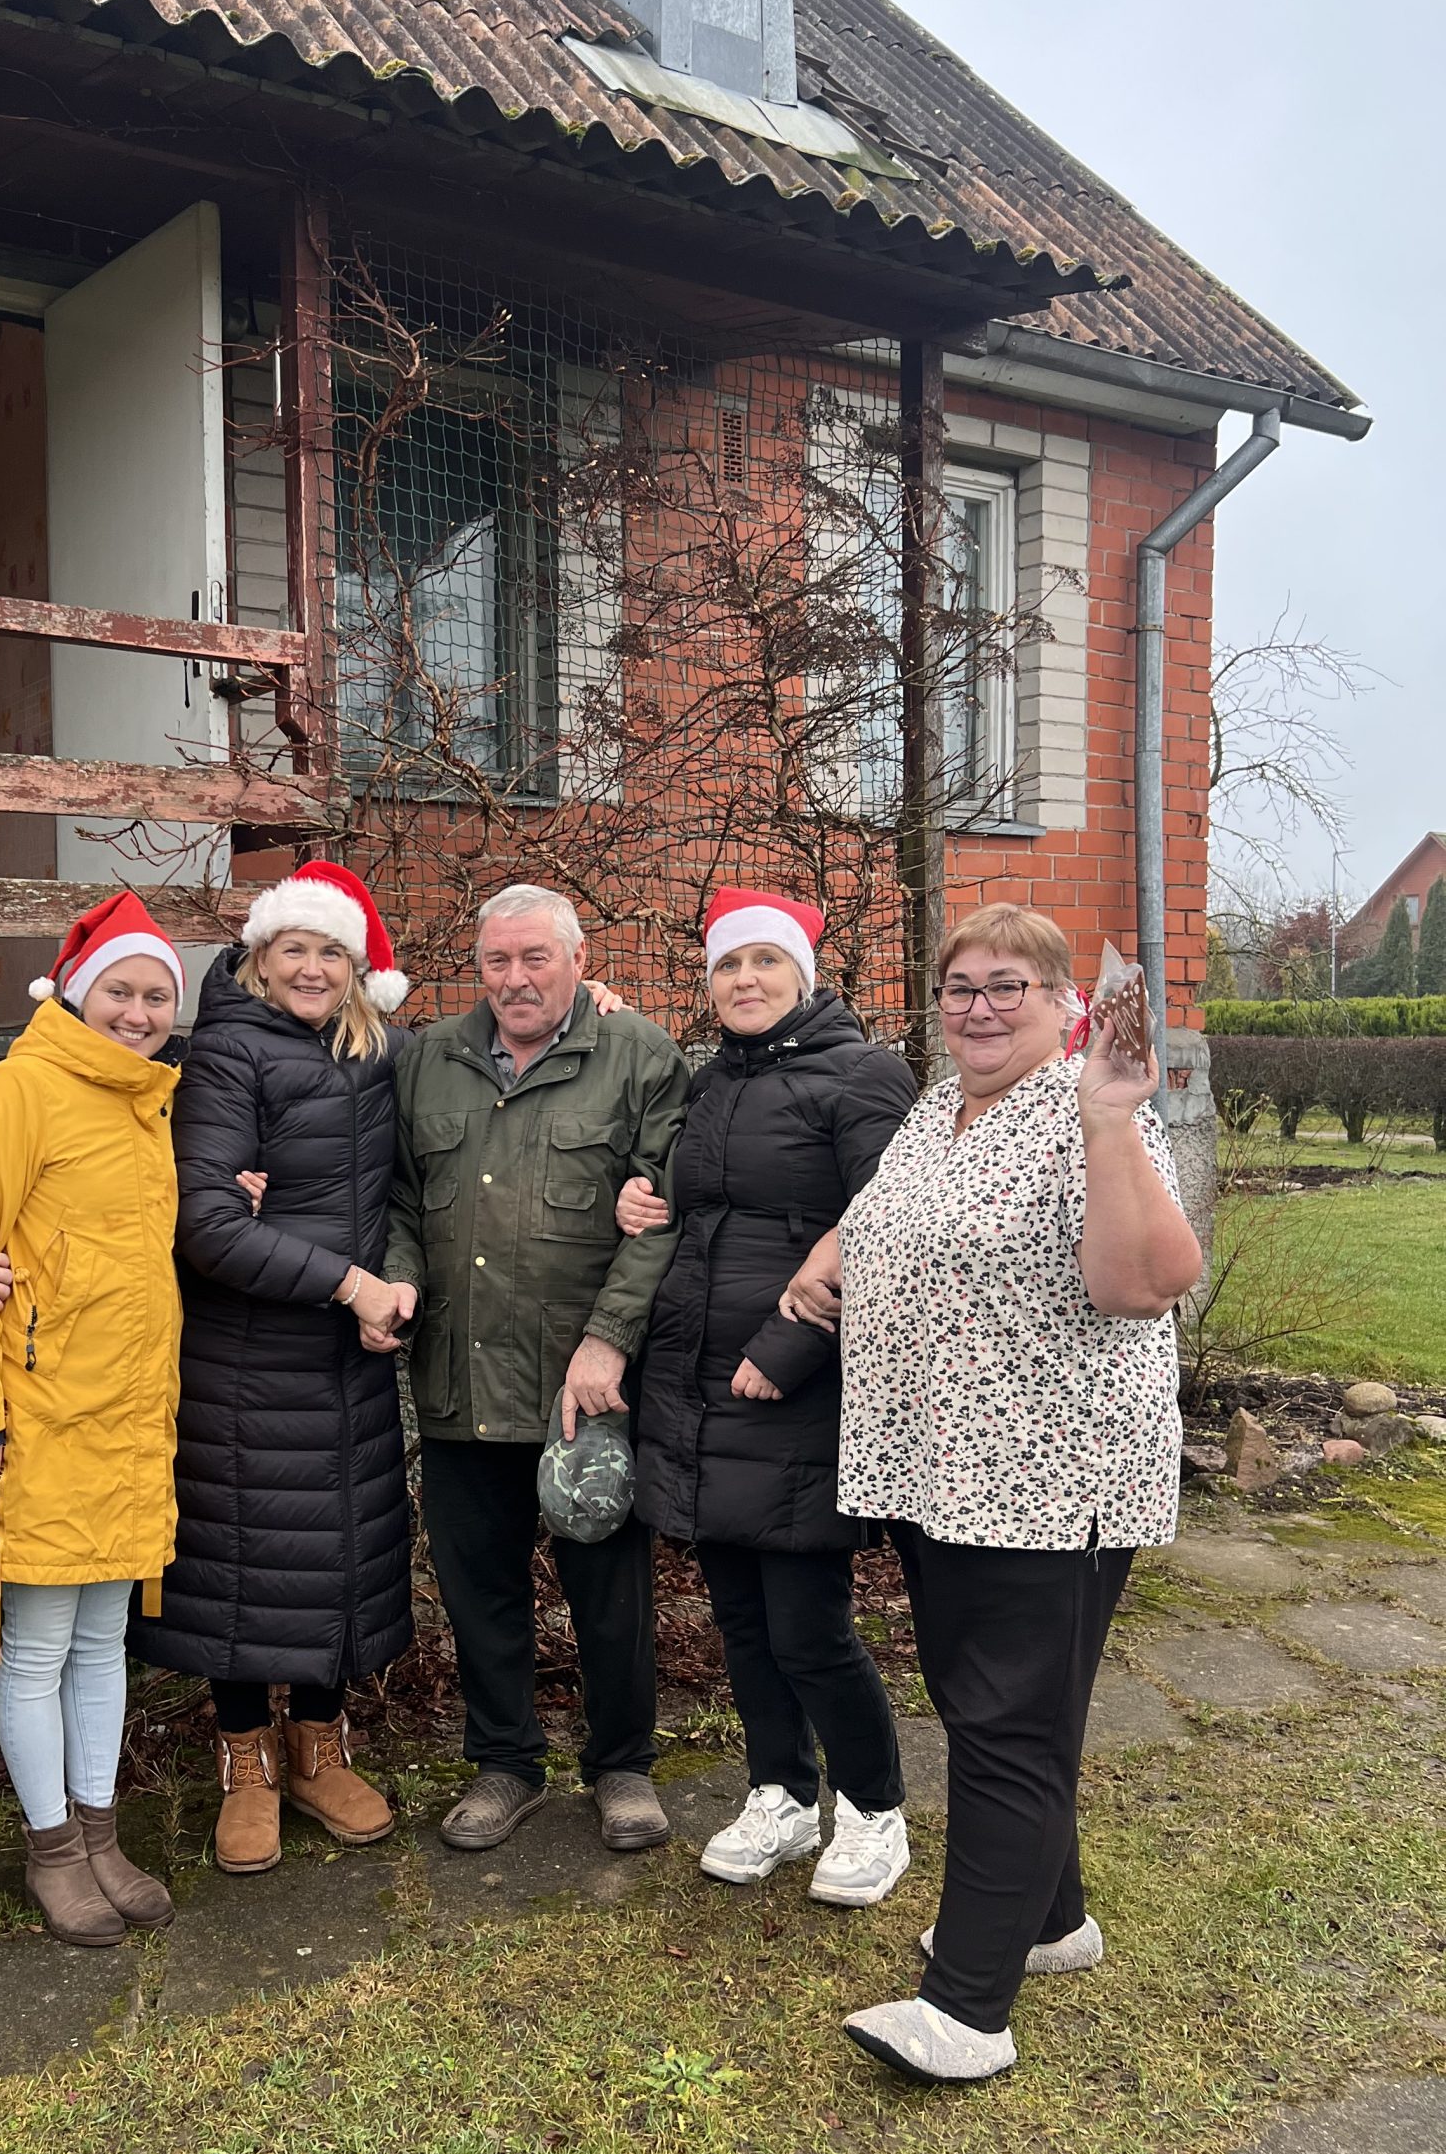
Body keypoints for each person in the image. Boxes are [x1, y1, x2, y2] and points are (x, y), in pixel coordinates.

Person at [787, 904, 1201, 2084]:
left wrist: (1110, 1115)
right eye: (960, 986)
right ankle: (1051, 1920)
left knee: (1006, 1724)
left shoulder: (1092, 1109)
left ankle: (967, 2010)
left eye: (1008, 985)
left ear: (1064, 1002)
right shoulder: (940, 1108)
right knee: (1002, 1708)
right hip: (944, 1469)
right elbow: (893, 1215)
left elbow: (1145, 1283)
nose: (978, 1007)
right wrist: (830, 1255)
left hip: (1047, 1476)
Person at [623, 890, 918, 1900]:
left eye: (764, 961)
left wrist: (790, 1347)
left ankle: (874, 1809)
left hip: (796, 1388)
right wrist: (641, 1196)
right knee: (742, 1622)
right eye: (727, 965)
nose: (744, 980)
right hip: (700, 1387)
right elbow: (698, 1211)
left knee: (808, 1627)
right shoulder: (714, 1082)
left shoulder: (865, 1076)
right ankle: (782, 1794)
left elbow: (887, 1225)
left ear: (804, 975)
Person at [385, 884, 690, 1855]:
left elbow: (663, 1213)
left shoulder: (637, 1055)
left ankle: (623, 1765)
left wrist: (611, 1338)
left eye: (536, 958)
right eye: (497, 961)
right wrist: (398, 1277)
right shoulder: (428, 1059)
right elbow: (398, 1197)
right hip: (460, 1378)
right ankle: (505, 1763)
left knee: (609, 1590)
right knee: (480, 1590)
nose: (515, 979)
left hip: (582, 1389)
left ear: (578, 961)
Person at [127, 862, 414, 1872]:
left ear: (357, 967)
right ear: (260, 955)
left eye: (332, 951)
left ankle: (319, 1749)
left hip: (348, 1357)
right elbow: (208, 1226)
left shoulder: (380, 1050)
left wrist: (591, 1005)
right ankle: (244, 1760)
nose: (312, 968)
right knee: (243, 1562)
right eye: (294, 947)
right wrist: (349, 1284)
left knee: (340, 1553)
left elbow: (417, 1172)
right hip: (246, 1356)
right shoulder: (227, 1053)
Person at [0, 890, 186, 1948]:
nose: (138, 1013)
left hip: (128, 1420)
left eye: (156, 996)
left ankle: (99, 1834)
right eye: (119, 991)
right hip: (38, 1421)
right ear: (79, 995)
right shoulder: (19, 1088)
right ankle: (51, 1850)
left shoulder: (150, 1103)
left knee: (103, 1643)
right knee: (37, 1649)